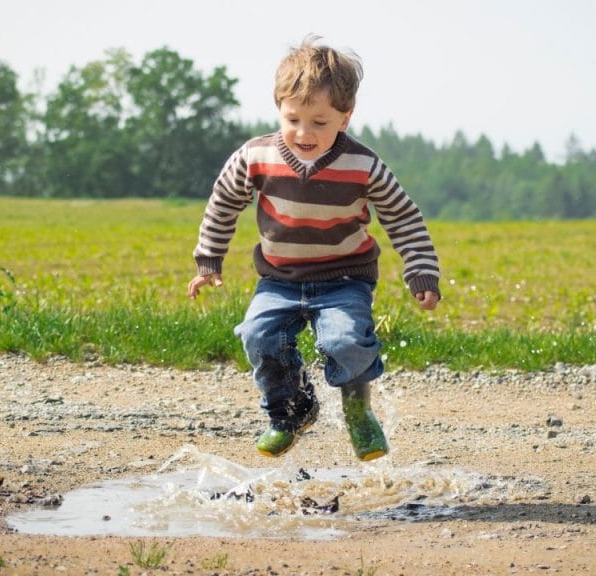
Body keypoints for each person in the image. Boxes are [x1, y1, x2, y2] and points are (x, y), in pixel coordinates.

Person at [188, 35, 441, 462]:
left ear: (345, 117)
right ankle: (291, 411)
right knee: (258, 336)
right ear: (279, 109)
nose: (304, 133)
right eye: (293, 119)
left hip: (345, 278)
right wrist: (208, 258)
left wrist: (421, 271)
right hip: (279, 279)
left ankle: (358, 408)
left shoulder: (365, 166)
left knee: (344, 341)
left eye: (319, 122)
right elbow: (224, 202)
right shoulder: (256, 156)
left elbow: (403, 217)